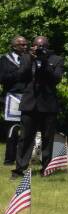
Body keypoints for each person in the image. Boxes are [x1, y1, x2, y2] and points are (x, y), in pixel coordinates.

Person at [14, 36, 64, 178]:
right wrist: (31, 59)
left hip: (48, 105)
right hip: (30, 104)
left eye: (42, 46)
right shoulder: (25, 57)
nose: (39, 48)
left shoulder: (56, 59)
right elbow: (21, 77)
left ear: (48, 47)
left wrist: (45, 61)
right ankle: (20, 169)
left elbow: (56, 79)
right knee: (25, 137)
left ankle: (46, 168)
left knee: (48, 138)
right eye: (36, 45)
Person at [1, 36, 28, 167]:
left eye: (25, 44)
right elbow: (2, 78)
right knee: (13, 129)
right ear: (14, 46)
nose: (25, 47)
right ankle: (9, 158)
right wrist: (19, 73)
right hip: (12, 97)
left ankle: (24, 157)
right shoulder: (5, 60)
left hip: (28, 97)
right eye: (21, 45)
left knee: (27, 128)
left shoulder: (28, 58)